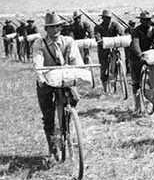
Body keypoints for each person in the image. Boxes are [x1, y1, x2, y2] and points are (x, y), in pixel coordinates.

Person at [32, 12, 83, 160]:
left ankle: (66, 127)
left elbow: (76, 60)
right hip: (46, 80)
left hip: (64, 79)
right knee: (48, 114)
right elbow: (37, 60)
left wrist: (77, 70)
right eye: (52, 27)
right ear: (46, 29)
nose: (55, 30)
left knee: (74, 99)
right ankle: (53, 146)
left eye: (58, 26)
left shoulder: (68, 41)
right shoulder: (39, 43)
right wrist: (40, 75)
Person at [130, 11, 154, 113]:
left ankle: (153, 92)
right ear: (141, 21)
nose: (147, 22)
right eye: (145, 20)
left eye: (149, 20)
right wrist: (140, 55)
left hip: (149, 54)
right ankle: (137, 106)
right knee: (136, 81)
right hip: (137, 56)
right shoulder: (136, 31)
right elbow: (136, 44)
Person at [94, 9, 124, 92]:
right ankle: (104, 88)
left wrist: (121, 37)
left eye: (109, 18)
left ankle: (114, 84)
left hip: (114, 48)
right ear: (103, 18)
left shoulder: (115, 25)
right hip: (103, 49)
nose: (108, 20)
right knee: (103, 67)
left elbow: (121, 32)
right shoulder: (98, 27)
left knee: (116, 64)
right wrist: (99, 41)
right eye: (106, 18)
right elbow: (97, 36)